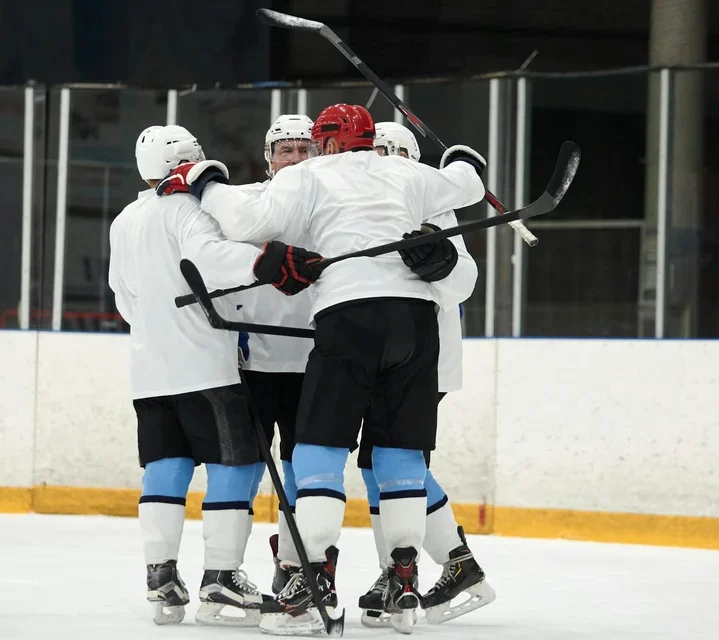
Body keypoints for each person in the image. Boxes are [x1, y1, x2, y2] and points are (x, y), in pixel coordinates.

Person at [155, 103, 485, 635]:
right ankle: (403, 583)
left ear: (325, 143)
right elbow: (465, 186)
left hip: (350, 319)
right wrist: (467, 160)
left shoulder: (311, 175)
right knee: (399, 453)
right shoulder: (408, 174)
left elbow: (242, 219)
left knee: (317, 451)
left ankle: (310, 586)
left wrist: (208, 182)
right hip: (417, 325)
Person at [107, 124, 322, 627]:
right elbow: (211, 258)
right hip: (206, 367)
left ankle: (160, 577)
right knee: (237, 466)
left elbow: (124, 296)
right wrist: (270, 260)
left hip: (149, 372)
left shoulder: (127, 218)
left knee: (166, 466)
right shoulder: (188, 210)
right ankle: (221, 579)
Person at [356, 121, 496, 627]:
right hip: (380, 358)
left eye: (398, 151)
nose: (389, 158)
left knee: (393, 464)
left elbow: (464, 281)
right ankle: (440, 566)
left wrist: (441, 262)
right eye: (380, 151)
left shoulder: (433, 204)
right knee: (380, 464)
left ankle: (416, 570)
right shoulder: (366, 203)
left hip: (421, 363)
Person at [231, 114, 317, 594]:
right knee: (242, 471)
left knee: (304, 473)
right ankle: (225, 570)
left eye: (306, 149)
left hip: (313, 363)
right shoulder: (245, 205)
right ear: (269, 158)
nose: (297, 158)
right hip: (254, 364)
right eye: (287, 150)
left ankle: (294, 565)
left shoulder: (333, 204)